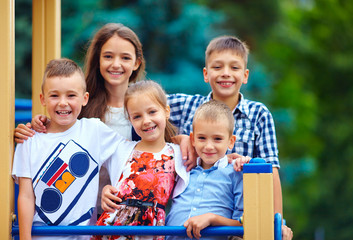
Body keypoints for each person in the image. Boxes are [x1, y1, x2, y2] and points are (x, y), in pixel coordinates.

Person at [13, 23, 194, 215]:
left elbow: (157, 147)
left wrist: (180, 139)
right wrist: (37, 125)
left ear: (136, 63)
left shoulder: (147, 106)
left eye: (125, 57)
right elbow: (59, 131)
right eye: (108, 56)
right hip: (83, 215)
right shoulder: (81, 107)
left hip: (130, 215)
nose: (116, 64)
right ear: (97, 60)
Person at [167, 35, 284, 216]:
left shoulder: (258, 114)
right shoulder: (186, 107)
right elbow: (145, 111)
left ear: (245, 76)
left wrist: (278, 222)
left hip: (239, 220)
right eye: (217, 67)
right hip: (187, 214)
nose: (226, 73)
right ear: (206, 74)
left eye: (234, 67)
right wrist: (178, 138)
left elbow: (271, 171)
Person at [12, 58, 127, 240]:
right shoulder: (29, 140)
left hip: (85, 235)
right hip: (44, 236)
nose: (63, 103)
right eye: (54, 95)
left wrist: (179, 140)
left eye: (71, 95)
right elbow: (26, 196)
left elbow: (132, 153)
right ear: (43, 99)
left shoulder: (94, 130)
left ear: (84, 98)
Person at [91, 80, 189, 240]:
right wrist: (105, 190)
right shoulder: (120, 148)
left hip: (150, 231)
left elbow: (210, 159)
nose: (146, 121)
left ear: (166, 111)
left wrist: (231, 158)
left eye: (152, 112)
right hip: (113, 228)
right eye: (137, 116)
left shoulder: (179, 153)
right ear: (130, 120)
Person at [166, 100, 247, 240]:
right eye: (202, 138)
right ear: (192, 139)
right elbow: (157, 145)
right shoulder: (183, 166)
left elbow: (243, 225)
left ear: (231, 141)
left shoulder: (236, 172)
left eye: (217, 139)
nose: (209, 146)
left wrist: (212, 218)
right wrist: (181, 139)